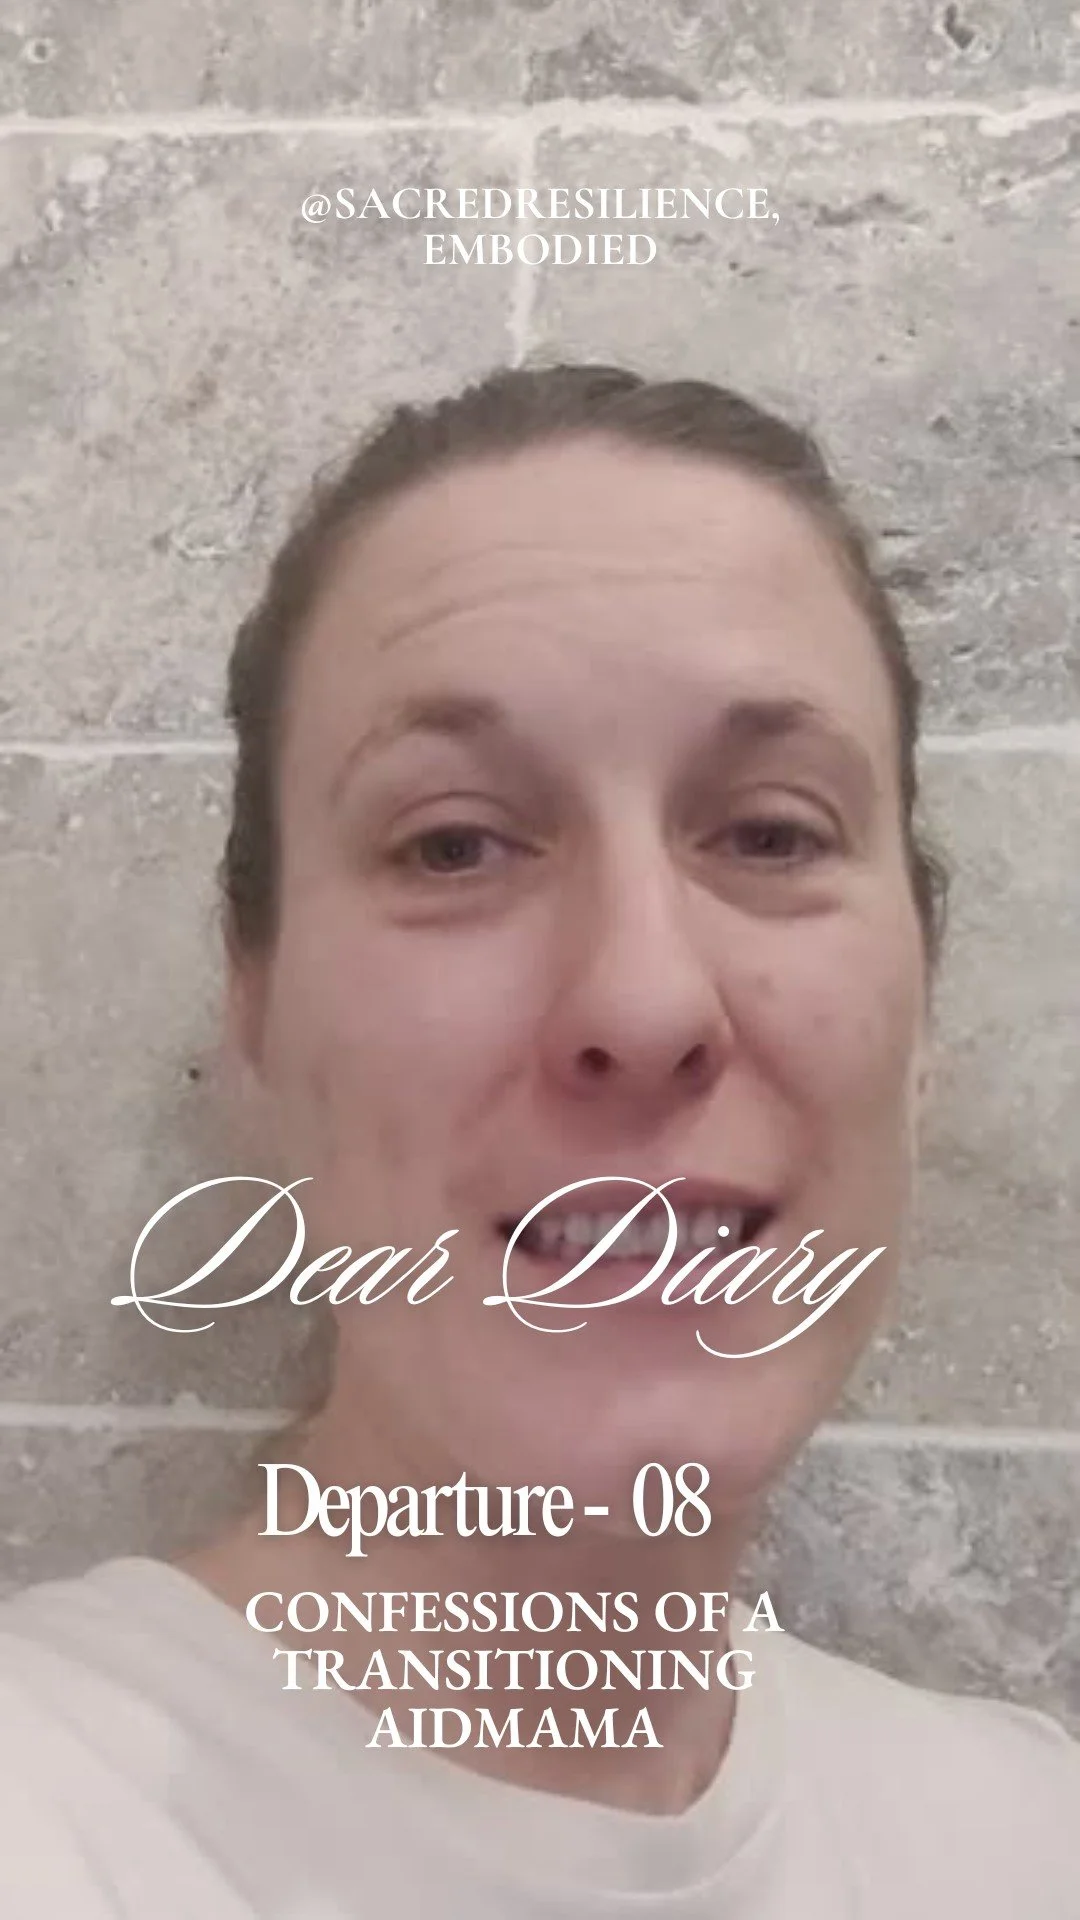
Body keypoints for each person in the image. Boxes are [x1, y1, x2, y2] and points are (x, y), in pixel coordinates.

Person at [0, 363, 1076, 1917]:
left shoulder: (1027, 1837)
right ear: (258, 1009)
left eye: (771, 832)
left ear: (925, 1009)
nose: (643, 999)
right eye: (454, 844)